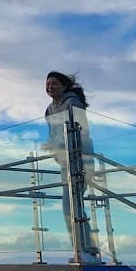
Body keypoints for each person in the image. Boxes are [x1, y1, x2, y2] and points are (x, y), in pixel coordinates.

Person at [44, 71, 101, 261]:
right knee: (71, 205)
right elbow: (52, 134)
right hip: (64, 161)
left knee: (72, 204)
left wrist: (68, 148)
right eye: (48, 84)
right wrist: (52, 147)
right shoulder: (49, 109)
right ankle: (86, 249)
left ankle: (85, 251)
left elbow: (82, 132)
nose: (50, 87)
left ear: (65, 86)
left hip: (80, 158)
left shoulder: (73, 103)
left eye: (54, 84)